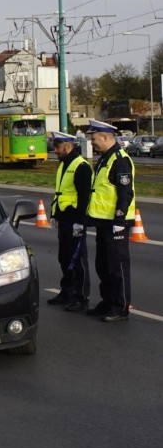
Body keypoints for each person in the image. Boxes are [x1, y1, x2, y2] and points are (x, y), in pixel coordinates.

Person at [85, 119, 135, 322]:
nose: (92, 142)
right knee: (103, 265)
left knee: (117, 266)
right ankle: (107, 302)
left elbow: (125, 193)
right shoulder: (105, 158)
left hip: (116, 223)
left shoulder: (120, 160)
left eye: (94, 138)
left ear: (105, 137)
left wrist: (119, 220)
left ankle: (120, 306)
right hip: (103, 222)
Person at [48, 131, 93, 312]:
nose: (55, 150)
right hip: (64, 218)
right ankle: (67, 291)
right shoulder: (63, 164)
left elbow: (84, 197)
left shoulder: (81, 166)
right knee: (64, 257)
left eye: (58, 147)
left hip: (75, 220)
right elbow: (61, 192)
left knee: (78, 260)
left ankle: (81, 296)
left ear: (68, 145)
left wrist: (80, 222)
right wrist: (54, 214)